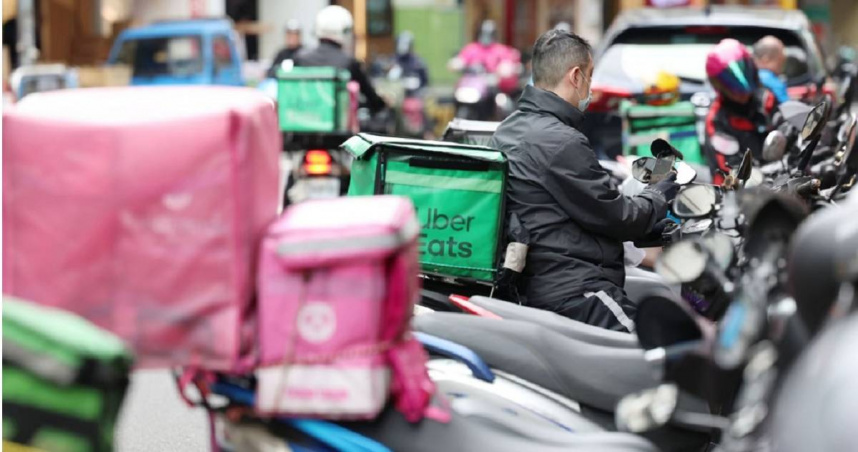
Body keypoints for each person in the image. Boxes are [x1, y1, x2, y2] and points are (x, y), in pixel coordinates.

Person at [488, 29, 679, 333]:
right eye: (590, 76)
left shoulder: (507, 130)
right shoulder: (563, 141)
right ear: (576, 76)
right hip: (577, 292)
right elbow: (619, 217)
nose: (591, 87)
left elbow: (567, 208)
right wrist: (660, 192)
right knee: (663, 351)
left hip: (535, 288)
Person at [705, 38, 779, 184]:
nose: (741, 92)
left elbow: (787, 131)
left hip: (779, 179)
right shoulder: (717, 120)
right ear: (719, 84)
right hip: (736, 192)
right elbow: (729, 168)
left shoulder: (766, 100)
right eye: (730, 80)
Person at [294, 5, 386, 113]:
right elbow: (371, 97)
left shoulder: (300, 58)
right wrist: (382, 103)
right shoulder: (349, 62)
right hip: (339, 126)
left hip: (305, 120)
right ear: (344, 31)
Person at [452, 20, 521, 94]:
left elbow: (507, 64)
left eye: (489, 34)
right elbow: (460, 60)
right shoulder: (472, 49)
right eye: (483, 33)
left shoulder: (500, 50)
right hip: (472, 83)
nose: (486, 37)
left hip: (493, 87)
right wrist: (457, 64)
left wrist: (505, 69)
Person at [753, 35, 789, 103]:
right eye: (780, 60)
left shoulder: (749, 76)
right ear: (765, 60)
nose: (781, 66)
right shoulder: (772, 81)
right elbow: (787, 106)